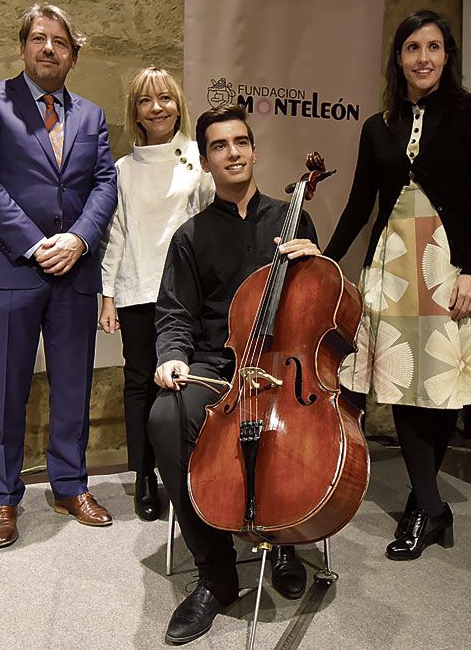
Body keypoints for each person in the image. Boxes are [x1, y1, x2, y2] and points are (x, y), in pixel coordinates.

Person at [324, 10, 471, 561]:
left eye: (433, 47)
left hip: (449, 265)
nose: (423, 58)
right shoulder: (376, 125)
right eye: (412, 48)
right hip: (391, 267)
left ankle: (426, 504)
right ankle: (429, 504)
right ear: (398, 58)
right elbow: (361, 205)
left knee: (443, 386)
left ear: (447, 56)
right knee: (403, 384)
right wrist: (326, 259)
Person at [148, 105, 321, 644]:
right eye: (220, 146)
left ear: (254, 149)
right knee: (165, 417)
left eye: (241, 142)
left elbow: (317, 305)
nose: (233, 153)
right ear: (206, 160)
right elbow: (176, 312)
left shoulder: (290, 218)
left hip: (283, 362)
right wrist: (173, 355)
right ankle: (217, 572)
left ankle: (288, 537)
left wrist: (317, 261)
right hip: (219, 361)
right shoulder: (191, 236)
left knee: (287, 428)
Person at [0, 2, 118, 548]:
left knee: (73, 385)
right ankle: (2, 499)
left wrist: (77, 239)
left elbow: (103, 185)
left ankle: (70, 485)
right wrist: (33, 242)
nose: (49, 48)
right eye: (39, 38)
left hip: (75, 268)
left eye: (61, 42)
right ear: (24, 46)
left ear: (74, 55)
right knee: (5, 390)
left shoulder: (92, 116)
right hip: (9, 267)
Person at [99, 67, 213, 521]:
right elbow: (116, 234)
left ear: (178, 104)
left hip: (191, 291)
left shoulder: (199, 157)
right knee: (140, 383)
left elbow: (211, 221)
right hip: (139, 287)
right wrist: (107, 295)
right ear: (136, 113)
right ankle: (144, 476)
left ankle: (191, 474)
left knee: (191, 383)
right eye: (146, 101)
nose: (157, 107)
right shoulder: (122, 170)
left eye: (165, 98)